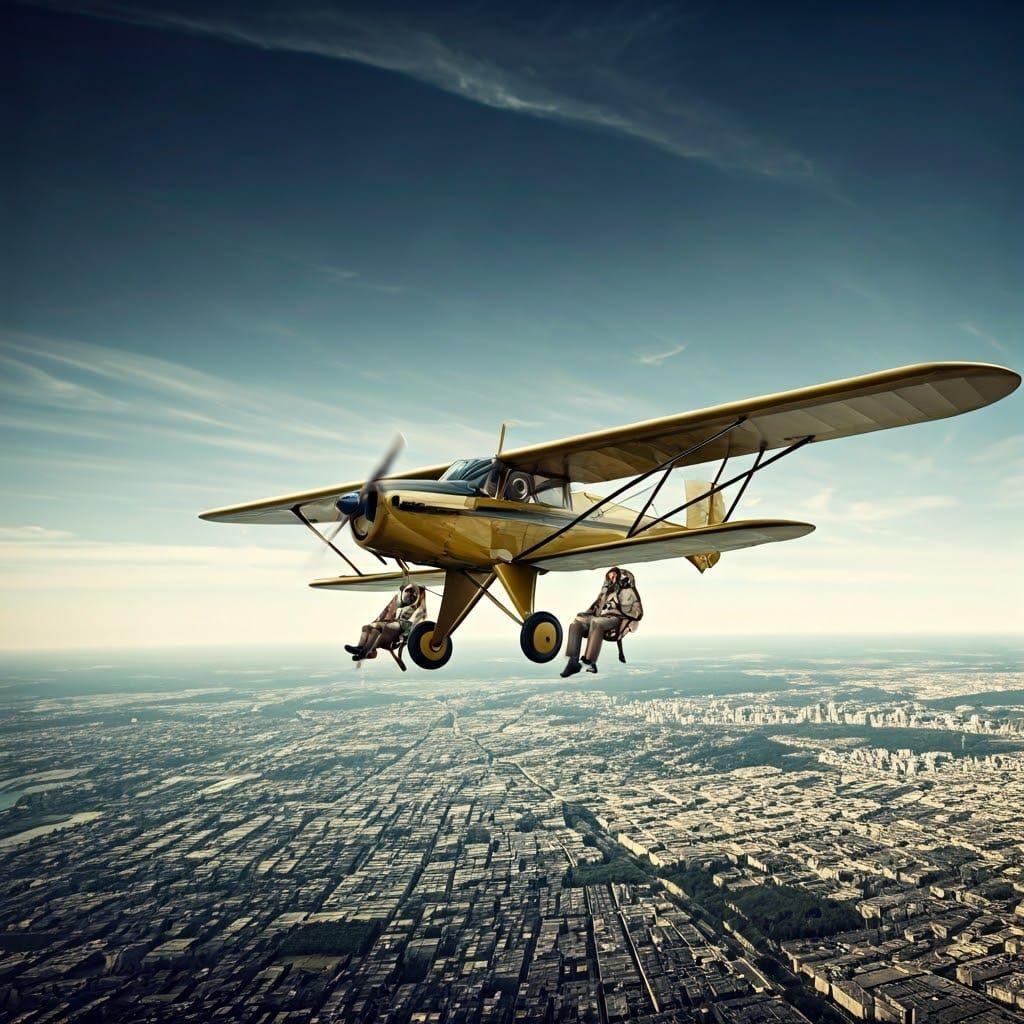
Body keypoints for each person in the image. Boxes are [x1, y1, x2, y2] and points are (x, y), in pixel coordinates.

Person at [561, 566, 643, 677]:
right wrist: (584, 615)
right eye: (610, 576)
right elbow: (595, 607)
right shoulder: (605, 592)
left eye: (614, 576)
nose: (612, 578)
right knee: (576, 624)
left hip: (615, 619)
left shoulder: (629, 592)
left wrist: (619, 608)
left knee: (597, 622)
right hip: (599, 617)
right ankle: (572, 662)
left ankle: (589, 662)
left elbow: (638, 613)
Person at [345, 584, 427, 662]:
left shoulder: (418, 609)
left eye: (412, 595)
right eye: (408, 593)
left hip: (401, 626)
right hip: (394, 623)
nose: (410, 596)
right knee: (366, 627)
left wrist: (405, 636)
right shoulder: (401, 603)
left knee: (377, 626)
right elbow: (389, 611)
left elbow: (415, 621)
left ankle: (364, 652)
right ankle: (360, 647)